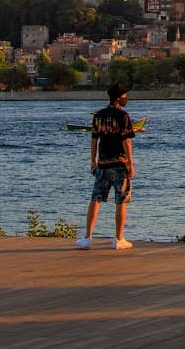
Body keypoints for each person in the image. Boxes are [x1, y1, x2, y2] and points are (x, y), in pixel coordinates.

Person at [76, 82, 135, 250]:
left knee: (95, 199)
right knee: (120, 201)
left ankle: (87, 237)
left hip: (102, 164)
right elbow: (127, 141)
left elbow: (94, 139)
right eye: (125, 96)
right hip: (119, 164)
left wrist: (93, 161)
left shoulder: (98, 116)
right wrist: (131, 163)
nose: (126, 98)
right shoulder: (123, 116)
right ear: (118, 97)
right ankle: (119, 238)